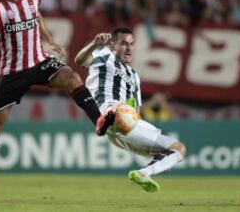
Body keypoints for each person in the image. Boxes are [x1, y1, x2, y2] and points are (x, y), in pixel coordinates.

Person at [0, 0, 114, 202]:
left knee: (73, 77)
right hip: (12, 72)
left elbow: (36, 16)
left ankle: (98, 120)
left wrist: (49, 39)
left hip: (39, 61)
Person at [75, 28, 186, 192]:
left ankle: (143, 173)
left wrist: (133, 115)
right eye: (124, 43)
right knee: (118, 111)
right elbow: (80, 60)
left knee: (178, 148)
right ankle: (110, 117)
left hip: (128, 124)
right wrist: (94, 44)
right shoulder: (104, 54)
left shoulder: (134, 76)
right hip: (108, 109)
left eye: (132, 44)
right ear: (113, 45)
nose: (129, 48)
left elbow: (136, 110)